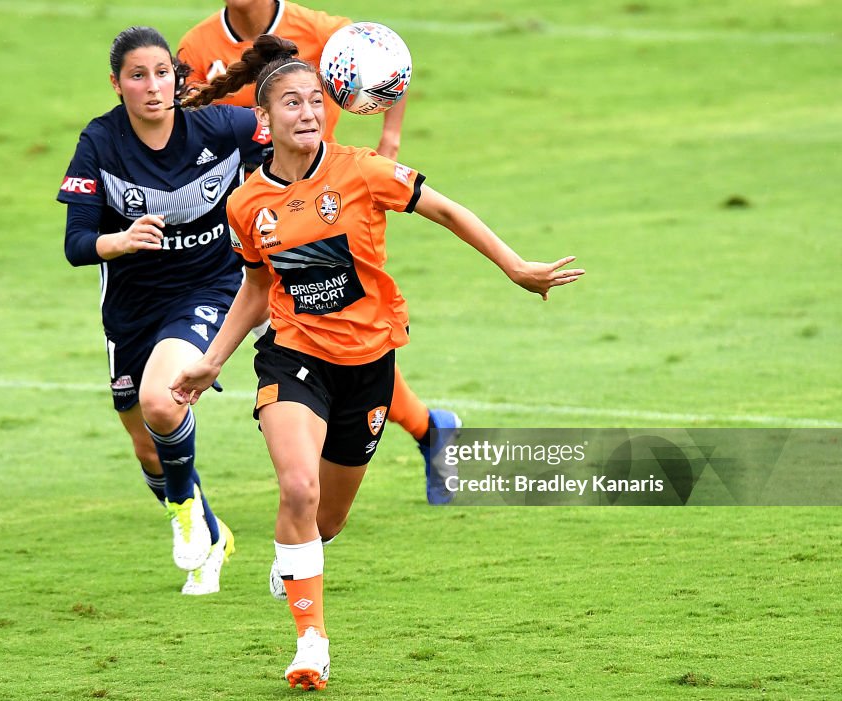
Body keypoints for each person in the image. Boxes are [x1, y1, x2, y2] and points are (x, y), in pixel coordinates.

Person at [171, 36, 584, 690]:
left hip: (368, 367)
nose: (307, 112)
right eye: (291, 103)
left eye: (315, 101)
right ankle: (311, 642)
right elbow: (255, 288)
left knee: (325, 520)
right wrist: (208, 360)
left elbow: (445, 208)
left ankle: (298, 552)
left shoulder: (361, 171)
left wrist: (516, 266)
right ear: (265, 120)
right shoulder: (247, 204)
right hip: (293, 357)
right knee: (298, 489)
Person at [178, 0, 463, 506]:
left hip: (322, 222)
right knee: (322, 349)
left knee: (336, 347)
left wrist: (389, 140)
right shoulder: (198, 46)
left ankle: (420, 434)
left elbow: (388, 62)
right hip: (251, 222)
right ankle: (424, 433)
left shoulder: (318, 30)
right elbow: (187, 134)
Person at [57, 26, 271, 595]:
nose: (152, 87)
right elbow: (76, 244)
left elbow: (293, 144)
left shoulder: (221, 127)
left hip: (210, 288)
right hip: (130, 305)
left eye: (161, 73)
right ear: (117, 83)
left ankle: (183, 511)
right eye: (137, 75)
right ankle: (208, 528)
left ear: (176, 78)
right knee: (145, 439)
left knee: (162, 398)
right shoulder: (101, 143)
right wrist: (120, 241)